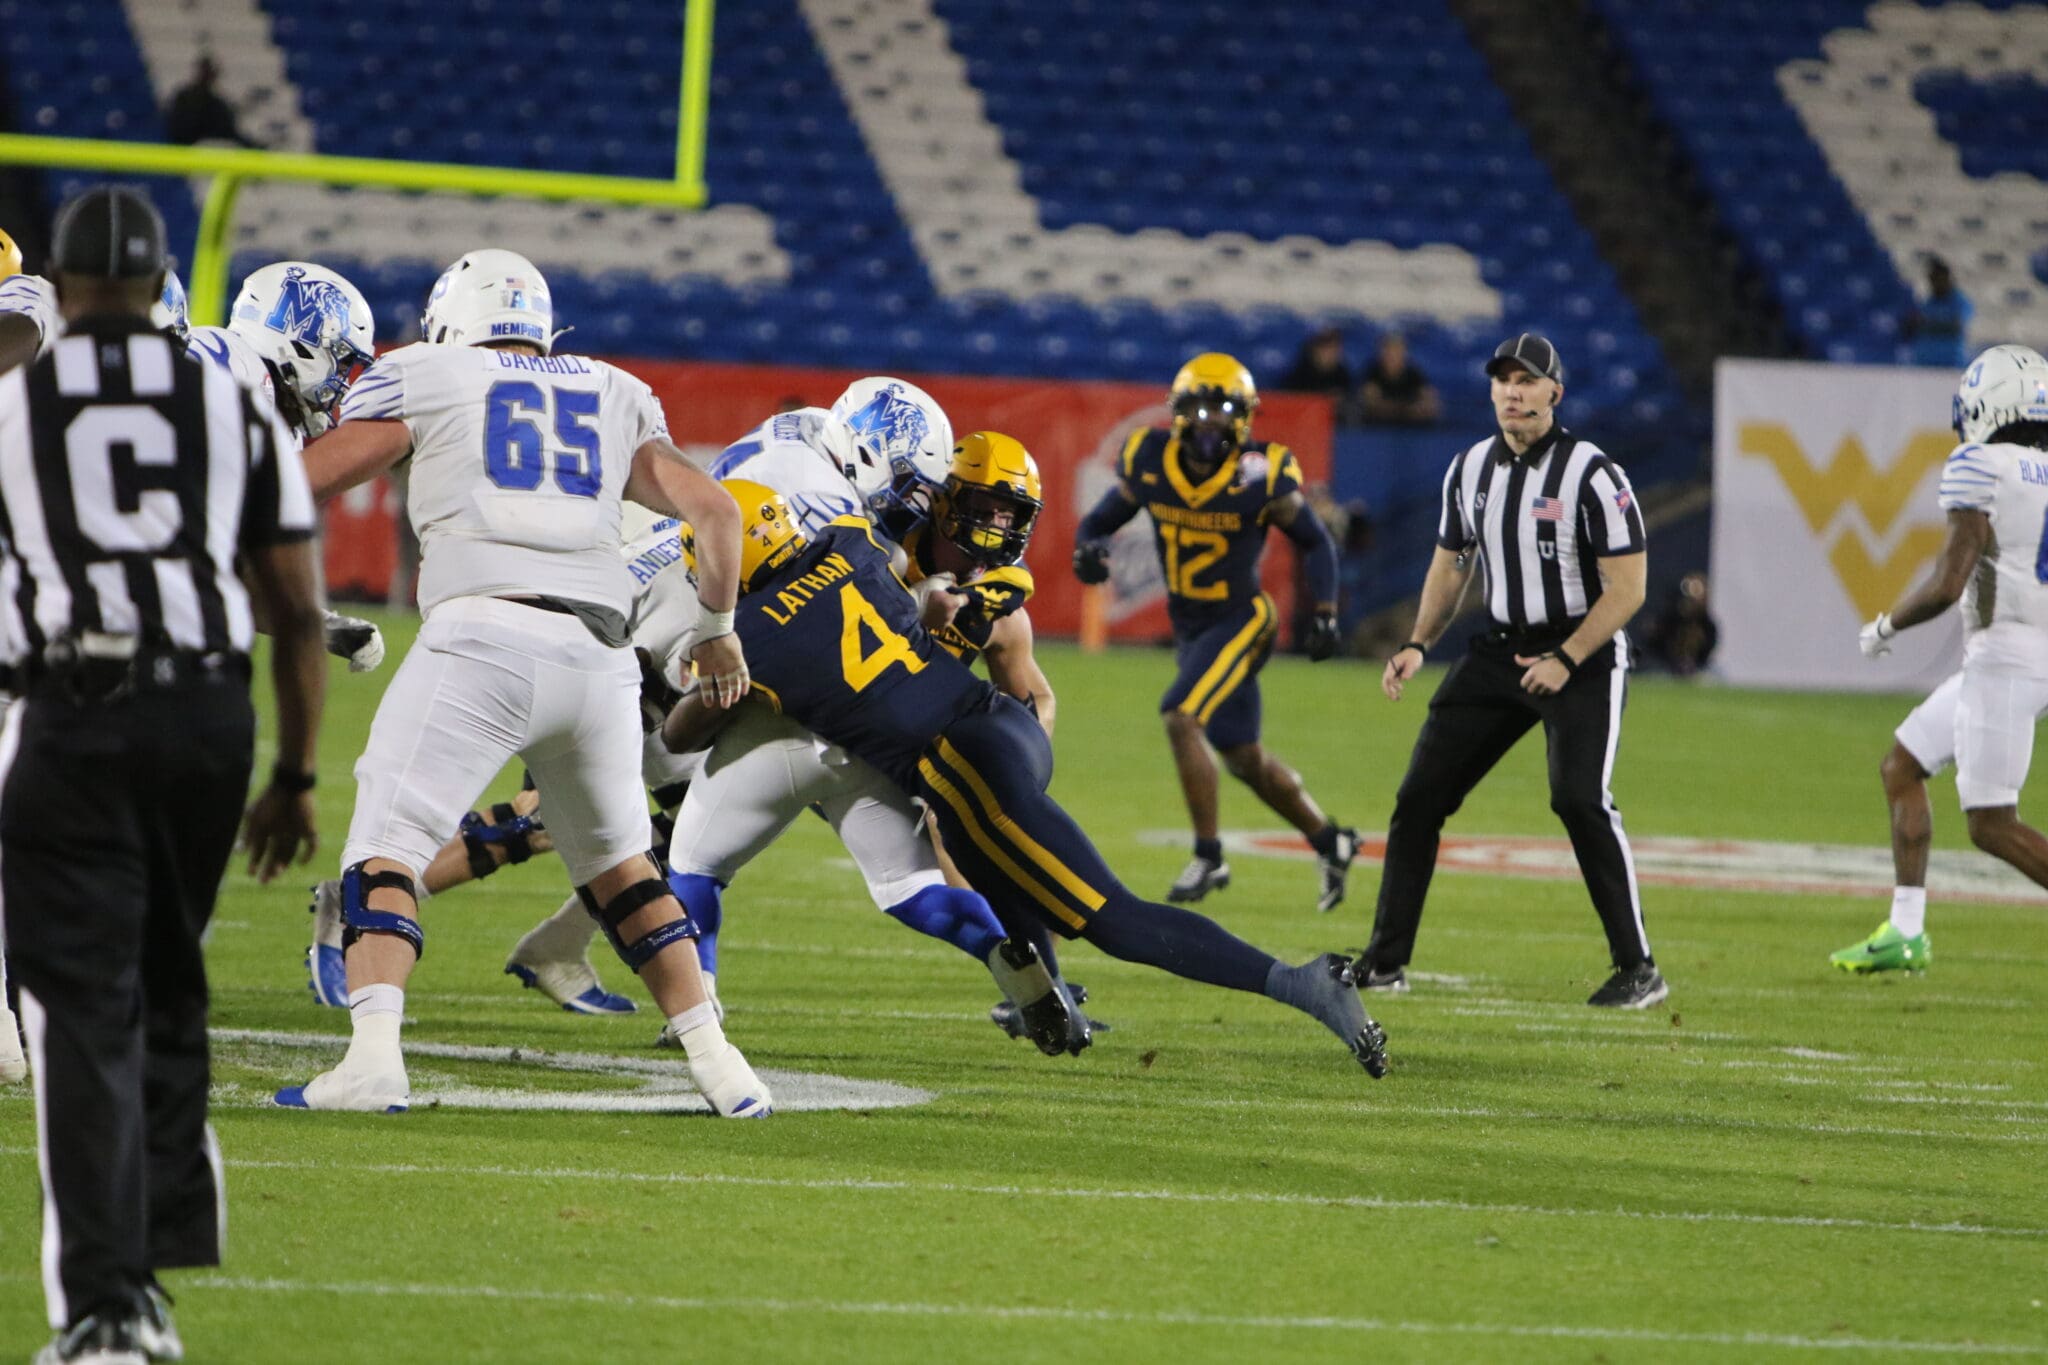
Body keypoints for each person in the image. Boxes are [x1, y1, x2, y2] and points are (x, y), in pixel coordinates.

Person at [275, 247, 773, 1118]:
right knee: (624, 871)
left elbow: (306, 479)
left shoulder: (426, 373)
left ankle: (373, 1057)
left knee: (384, 848)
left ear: (450, 323)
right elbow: (718, 510)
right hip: (599, 660)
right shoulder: (614, 389)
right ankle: (721, 1063)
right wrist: (720, 634)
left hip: (483, 634)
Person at [665, 480, 1391, 1077]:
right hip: (1000, 724)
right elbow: (930, 572)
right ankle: (1044, 998)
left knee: (1113, 918)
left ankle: (1302, 981)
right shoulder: (850, 542)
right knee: (992, 870)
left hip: (961, 759)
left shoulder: (749, 636)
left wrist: (702, 674)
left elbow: (678, 733)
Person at [1, 184, 326, 1365]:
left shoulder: (15, 401)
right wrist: (293, 774)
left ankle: (110, 1309)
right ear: (154, 287)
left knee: (80, 1013)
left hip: (71, 717)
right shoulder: (231, 403)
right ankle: (160, 1256)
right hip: (206, 717)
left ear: (66, 285)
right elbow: (296, 609)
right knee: (160, 987)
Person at [666, 393, 1082, 1053]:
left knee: (693, 863)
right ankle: (1006, 953)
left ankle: (700, 1007)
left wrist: (700, 695)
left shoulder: (750, 618)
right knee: (912, 886)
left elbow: (688, 728)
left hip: (783, 737)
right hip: (878, 744)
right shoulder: (864, 545)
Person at [1369, 333, 1665, 1008]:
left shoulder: (1593, 472)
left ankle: (1638, 965)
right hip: (1501, 651)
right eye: (1504, 380)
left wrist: (1567, 658)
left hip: (1583, 653)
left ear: (1555, 393)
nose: (1513, 392)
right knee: (1419, 798)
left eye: (1528, 381)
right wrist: (1418, 642)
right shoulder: (1469, 467)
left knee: (1579, 798)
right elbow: (1451, 563)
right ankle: (1385, 962)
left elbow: (1629, 587)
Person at [1072, 353, 1358, 911]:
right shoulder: (1150, 459)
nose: (1209, 421)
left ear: (1244, 416)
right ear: (1178, 412)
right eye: (1199, 408)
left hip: (1242, 618)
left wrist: (1324, 609)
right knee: (1242, 756)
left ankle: (1209, 855)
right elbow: (1100, 520)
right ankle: (1331, 839)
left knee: (1181, 717)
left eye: (1223, 408)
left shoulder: (1260, 473)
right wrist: (1089, 548)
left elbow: (1315, 540)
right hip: (1192, 628)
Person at [1837, 344, 2048, 972]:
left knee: (1991, 825)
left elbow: (1948, 583)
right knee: (1902, 765)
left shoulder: (1979, 464)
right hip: (2029, 651)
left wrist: (1885, 625)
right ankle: (1905, 931)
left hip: (2005, 658)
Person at [186, 259, 389, 673]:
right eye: (340, 361)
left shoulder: (271, 409)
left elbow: (219, 567)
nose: (344, 382)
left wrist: (317, 623)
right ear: (302, 339)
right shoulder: (228, 364)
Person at [162, 55, 261, 149]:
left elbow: (230, 131)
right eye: (207, 72)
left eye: (210, 72)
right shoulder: (185, 97)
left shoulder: (216, 103)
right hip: (189, 151)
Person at [1643, 570, 1718, 676]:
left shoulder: (1706, 624)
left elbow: (1708, 648)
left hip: (1697, 669)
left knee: (1716, 674)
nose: (1691, 602)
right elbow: (1655, 644)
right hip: (1666, 667)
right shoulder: (1670, 618)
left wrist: (1694, 663)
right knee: (1653, 673)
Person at [1903, 256, 1972, 370]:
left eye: (1939, 278)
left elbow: (1956, 326)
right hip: (1924, 365)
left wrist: (1925, 324)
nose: (1935, 283)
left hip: (1950, 365)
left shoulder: (1960, 302)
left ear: (1947, 278)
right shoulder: (1927, 303)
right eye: (1932, 279)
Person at [1278, 326, 1357, 423]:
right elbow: (1291, 404)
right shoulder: (1299, 374)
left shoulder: (1342, 373)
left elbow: (1351, 401)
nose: (1332, 353)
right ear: (1314, 350)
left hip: (1337, 428)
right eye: (1327, 348)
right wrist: (1323, 400)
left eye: (1335, 348)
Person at [1358, 332, 1439, 425]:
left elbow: (1431, 403)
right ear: (1381, 352)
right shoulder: (1372, 373)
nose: (1392, 355)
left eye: (1397, 350)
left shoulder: (1413, 374)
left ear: (1404, 353)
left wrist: (1419, 408)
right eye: (1388, 350)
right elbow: (1371, 405)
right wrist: (1404, 409)